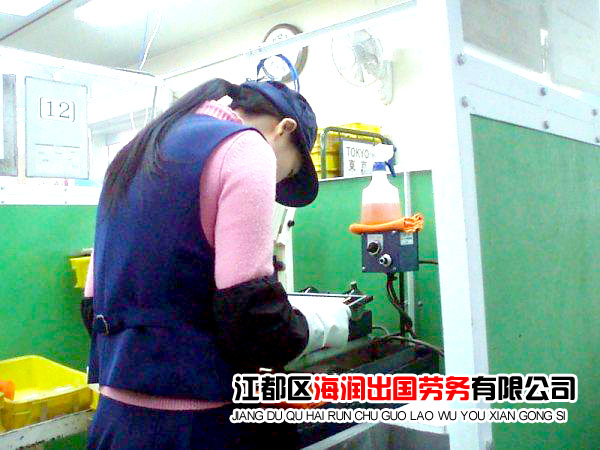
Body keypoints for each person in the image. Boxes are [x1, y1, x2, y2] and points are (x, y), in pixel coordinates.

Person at [83, 78, 351, 449]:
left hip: (113, 423)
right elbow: (251, 319)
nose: (278, 184)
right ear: (284, 129)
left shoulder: (135, 151)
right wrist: (322, 326)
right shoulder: (246, 146)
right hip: (195, 428)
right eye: (289, 172)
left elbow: (92, 307)